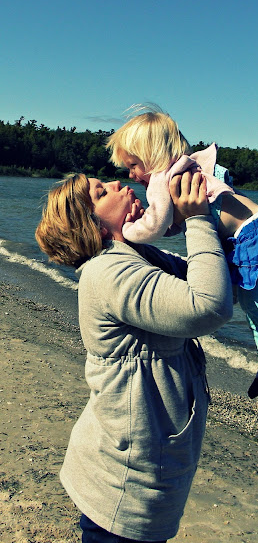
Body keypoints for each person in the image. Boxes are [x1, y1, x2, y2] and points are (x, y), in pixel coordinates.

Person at [35, 171, 233, 543]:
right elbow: (208, 306)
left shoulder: (139, 256)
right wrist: (197, 220)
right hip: (122, 485)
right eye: (101, 192)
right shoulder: (109, 271)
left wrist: (216, 215)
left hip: (134, 469)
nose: (117, 184)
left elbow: (217, 279)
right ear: (92, 224)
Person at [106, 105, 258, 404]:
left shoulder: (164, 179)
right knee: (249, 303)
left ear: (152, 156)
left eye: (133, 165)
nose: (130, 174)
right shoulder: (185, 168)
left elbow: (155, 225)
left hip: (251, 238)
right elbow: (176, 221)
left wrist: (128, 230)